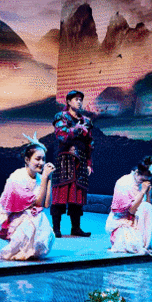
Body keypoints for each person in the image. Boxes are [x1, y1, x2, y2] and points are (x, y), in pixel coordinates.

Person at [0, 134, 55, 260]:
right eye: (37, 159)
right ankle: (18, 246)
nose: (41, 163)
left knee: (39, 218)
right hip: (10, 217)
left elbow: (46, 204)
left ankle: (29, 250)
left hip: (29, 213)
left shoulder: (40, 177)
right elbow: (38, 204)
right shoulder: (17, 177)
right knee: (35, 218)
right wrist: (45, 177)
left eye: (43, 159)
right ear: (27, 160)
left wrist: (49, 179)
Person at [50, 90, 94, 238]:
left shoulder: (87, 121)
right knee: (61, 194)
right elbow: (62, 135)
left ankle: (76, 228)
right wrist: (77, 129)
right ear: (68, 102)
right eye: (76, 99)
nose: (79, 102)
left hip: (80, 160)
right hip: (65, 159)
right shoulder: (61, 116)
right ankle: (56, 228)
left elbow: (90, 144)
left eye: (81, 99)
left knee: (77, 194)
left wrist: (89, 163)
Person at [105, 156, 152, 255]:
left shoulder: (144, 184)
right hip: (122, 221)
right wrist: (142, 192)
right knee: (132, 244)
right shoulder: (124, 183)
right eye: (143, 179)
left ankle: (145, 242)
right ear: (138, 173)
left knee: (147, 208)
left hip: (138, 221)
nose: (145, 181)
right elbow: (131, 211)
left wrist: (147, 194)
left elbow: (148, 209)